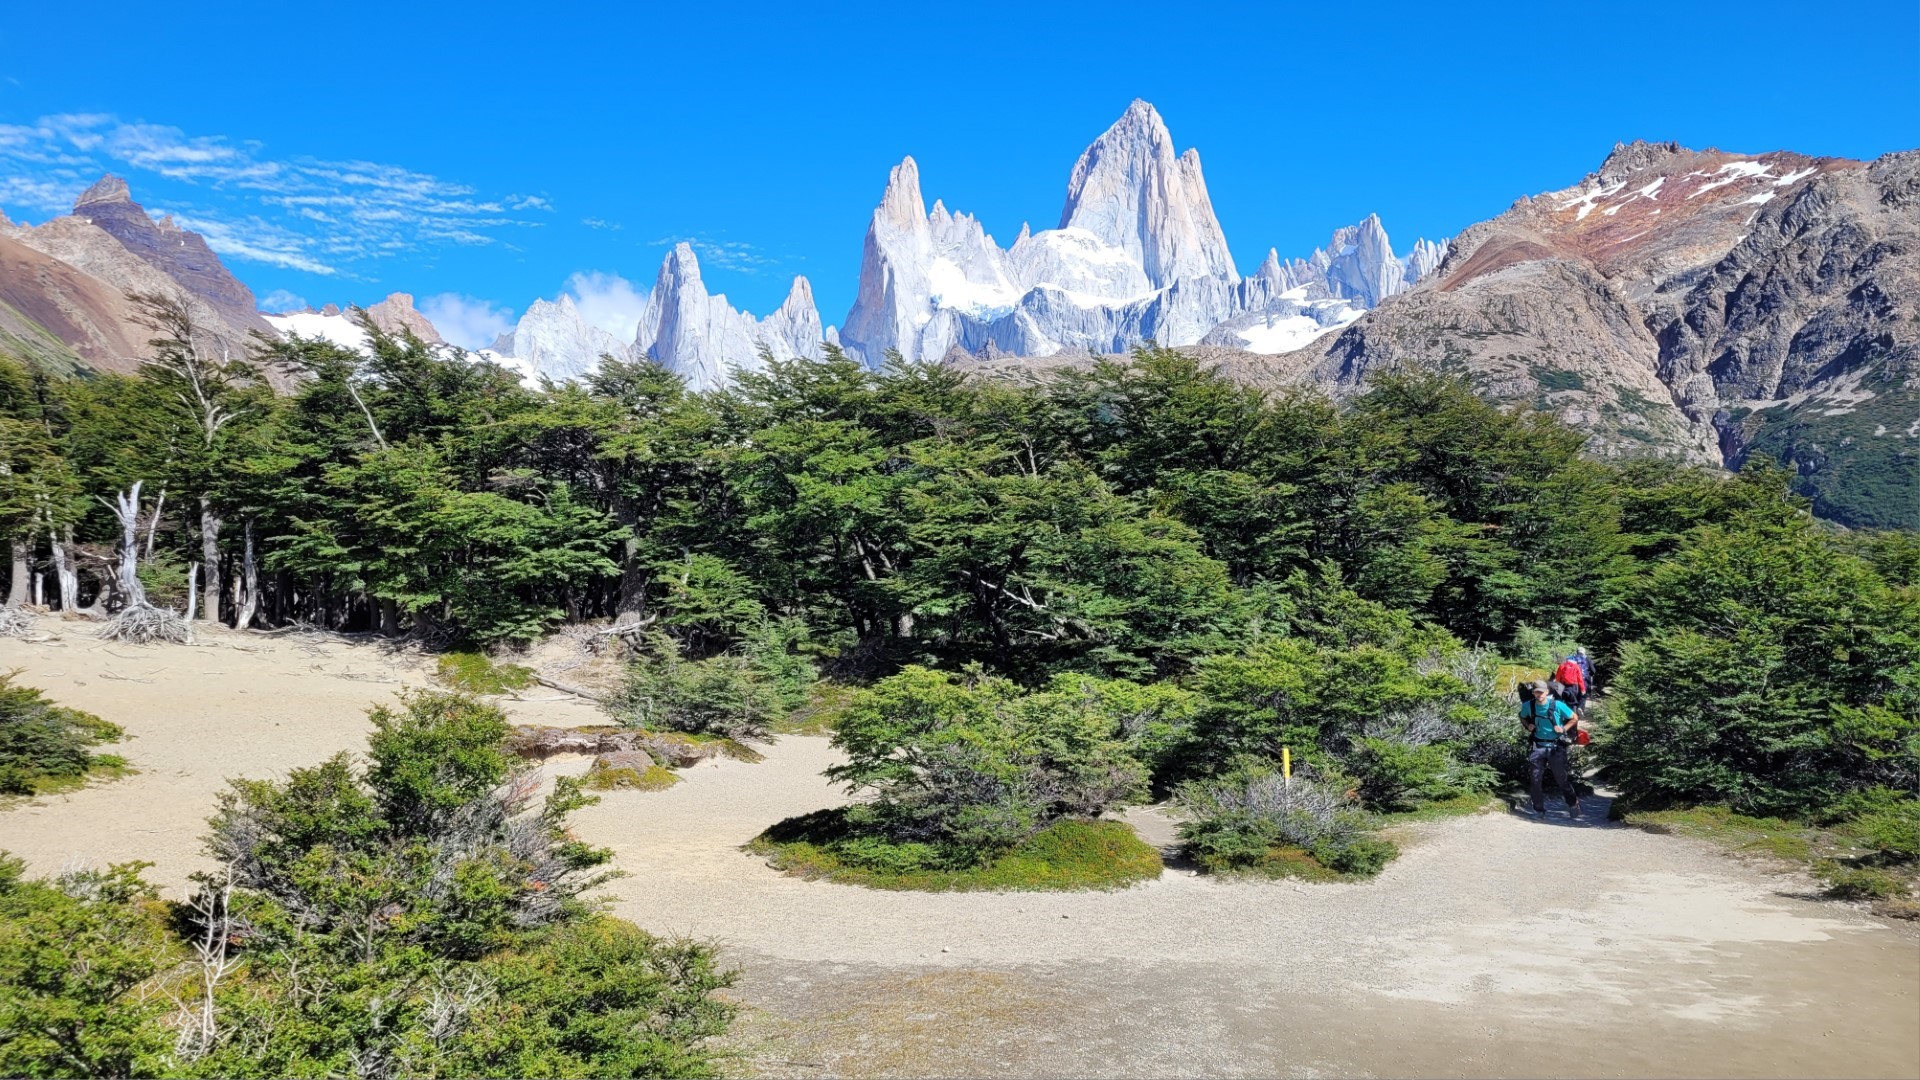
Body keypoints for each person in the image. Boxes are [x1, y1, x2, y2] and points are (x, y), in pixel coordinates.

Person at [1521, 682, 1581, 818]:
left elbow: (1574, 717)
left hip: (1556, 746)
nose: (1539, 695)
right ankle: (1539, 810)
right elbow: (1522, 716)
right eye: (1537, 692)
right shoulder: (1528, 706)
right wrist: (1528, 725)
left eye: (1541, 692)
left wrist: (1564, 729)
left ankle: (1573, 803)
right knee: (1535, 779)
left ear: (1547, 692)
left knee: (1561, 778)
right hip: (1538, 746)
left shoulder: (1557, 705)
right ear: (1533, 693)